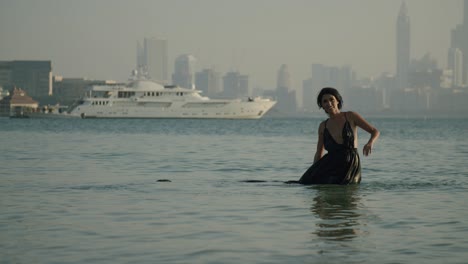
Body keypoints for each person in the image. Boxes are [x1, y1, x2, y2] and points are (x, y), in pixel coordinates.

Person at [298, 87, 380, 185]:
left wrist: (370, 143)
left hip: (350, 165)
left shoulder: (350, 116)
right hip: (330, 165)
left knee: (349, 195)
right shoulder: (323, 126)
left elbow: (374, 131)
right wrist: (313, 171)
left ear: (337, 101)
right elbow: (319, 152)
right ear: (322, 106)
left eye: (331, 99)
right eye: (325, 101)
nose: (329, 103)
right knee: (303, 183)